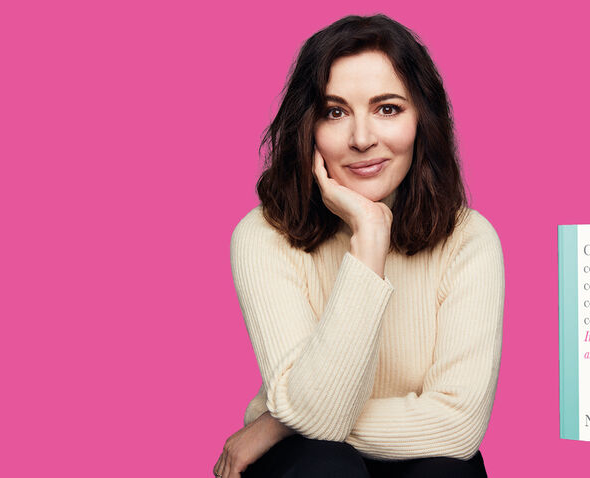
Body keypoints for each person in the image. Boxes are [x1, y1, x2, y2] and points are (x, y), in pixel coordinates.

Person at [214, 14, 504, 478]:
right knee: (326, 465)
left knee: (446, 472)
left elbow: (458, 426)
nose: (363, 139)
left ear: (421, 121)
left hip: (421, 461)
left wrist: (277, 423)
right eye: (335, 112)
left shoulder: (468, 240)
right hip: (310, 466)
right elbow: (317, 427)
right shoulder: (264, 235)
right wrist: (369, 241)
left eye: (387, 108)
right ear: (308, 126)